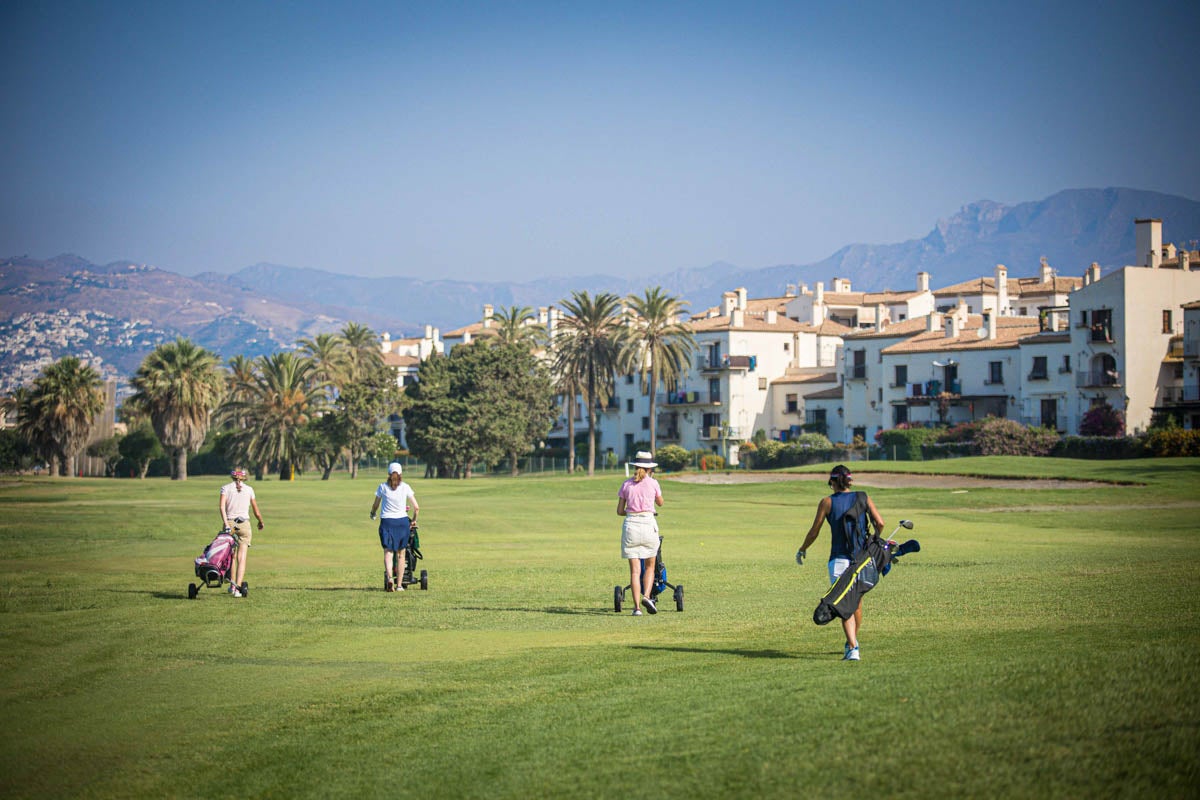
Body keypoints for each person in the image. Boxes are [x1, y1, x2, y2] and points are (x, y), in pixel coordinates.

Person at [795, 464, 884, 661]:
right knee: (855, 604)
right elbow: (880, 523)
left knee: (844, 603)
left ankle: (853, 648)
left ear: (833, 482)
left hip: (839, 560)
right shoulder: (863, 497)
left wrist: (802, 549)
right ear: (849, 481)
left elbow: (814, 531)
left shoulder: (827, 502)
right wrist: (873, 543)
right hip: (862, 560)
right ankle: (851, 642)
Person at [617, 450, 664, 616]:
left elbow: (619, 511)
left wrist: (632, 511)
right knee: (650, 566)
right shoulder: (653, 483)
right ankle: (647, 597)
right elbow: (660, 503)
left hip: (631, 526)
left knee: (635, 571)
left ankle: (637, 608)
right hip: (648, 524)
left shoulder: (626, 485)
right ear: (650, 468)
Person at [370, 462, 419, 592]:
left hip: (387, 522)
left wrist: (373, 513)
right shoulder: (405, 487)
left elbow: (375, 505)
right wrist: (414, 520)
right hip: (402, 523)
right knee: (401, 554)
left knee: (388, 552)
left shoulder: (382, 487)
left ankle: (390, 578)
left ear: (388, 474)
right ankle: (399, 585)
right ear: (401, 474)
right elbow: (416, 508)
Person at [218, 466, 264, 598]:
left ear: (232, 476)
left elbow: (221, 507)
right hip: (244, 525)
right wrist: (260, 521)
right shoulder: (249, 489)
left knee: (231, 556)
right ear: (244, 477)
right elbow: (256, 511)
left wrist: (226, 523)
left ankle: (232, 586)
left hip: (230, 524)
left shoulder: (225, 488)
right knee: (241, 558)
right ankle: (238, 588)